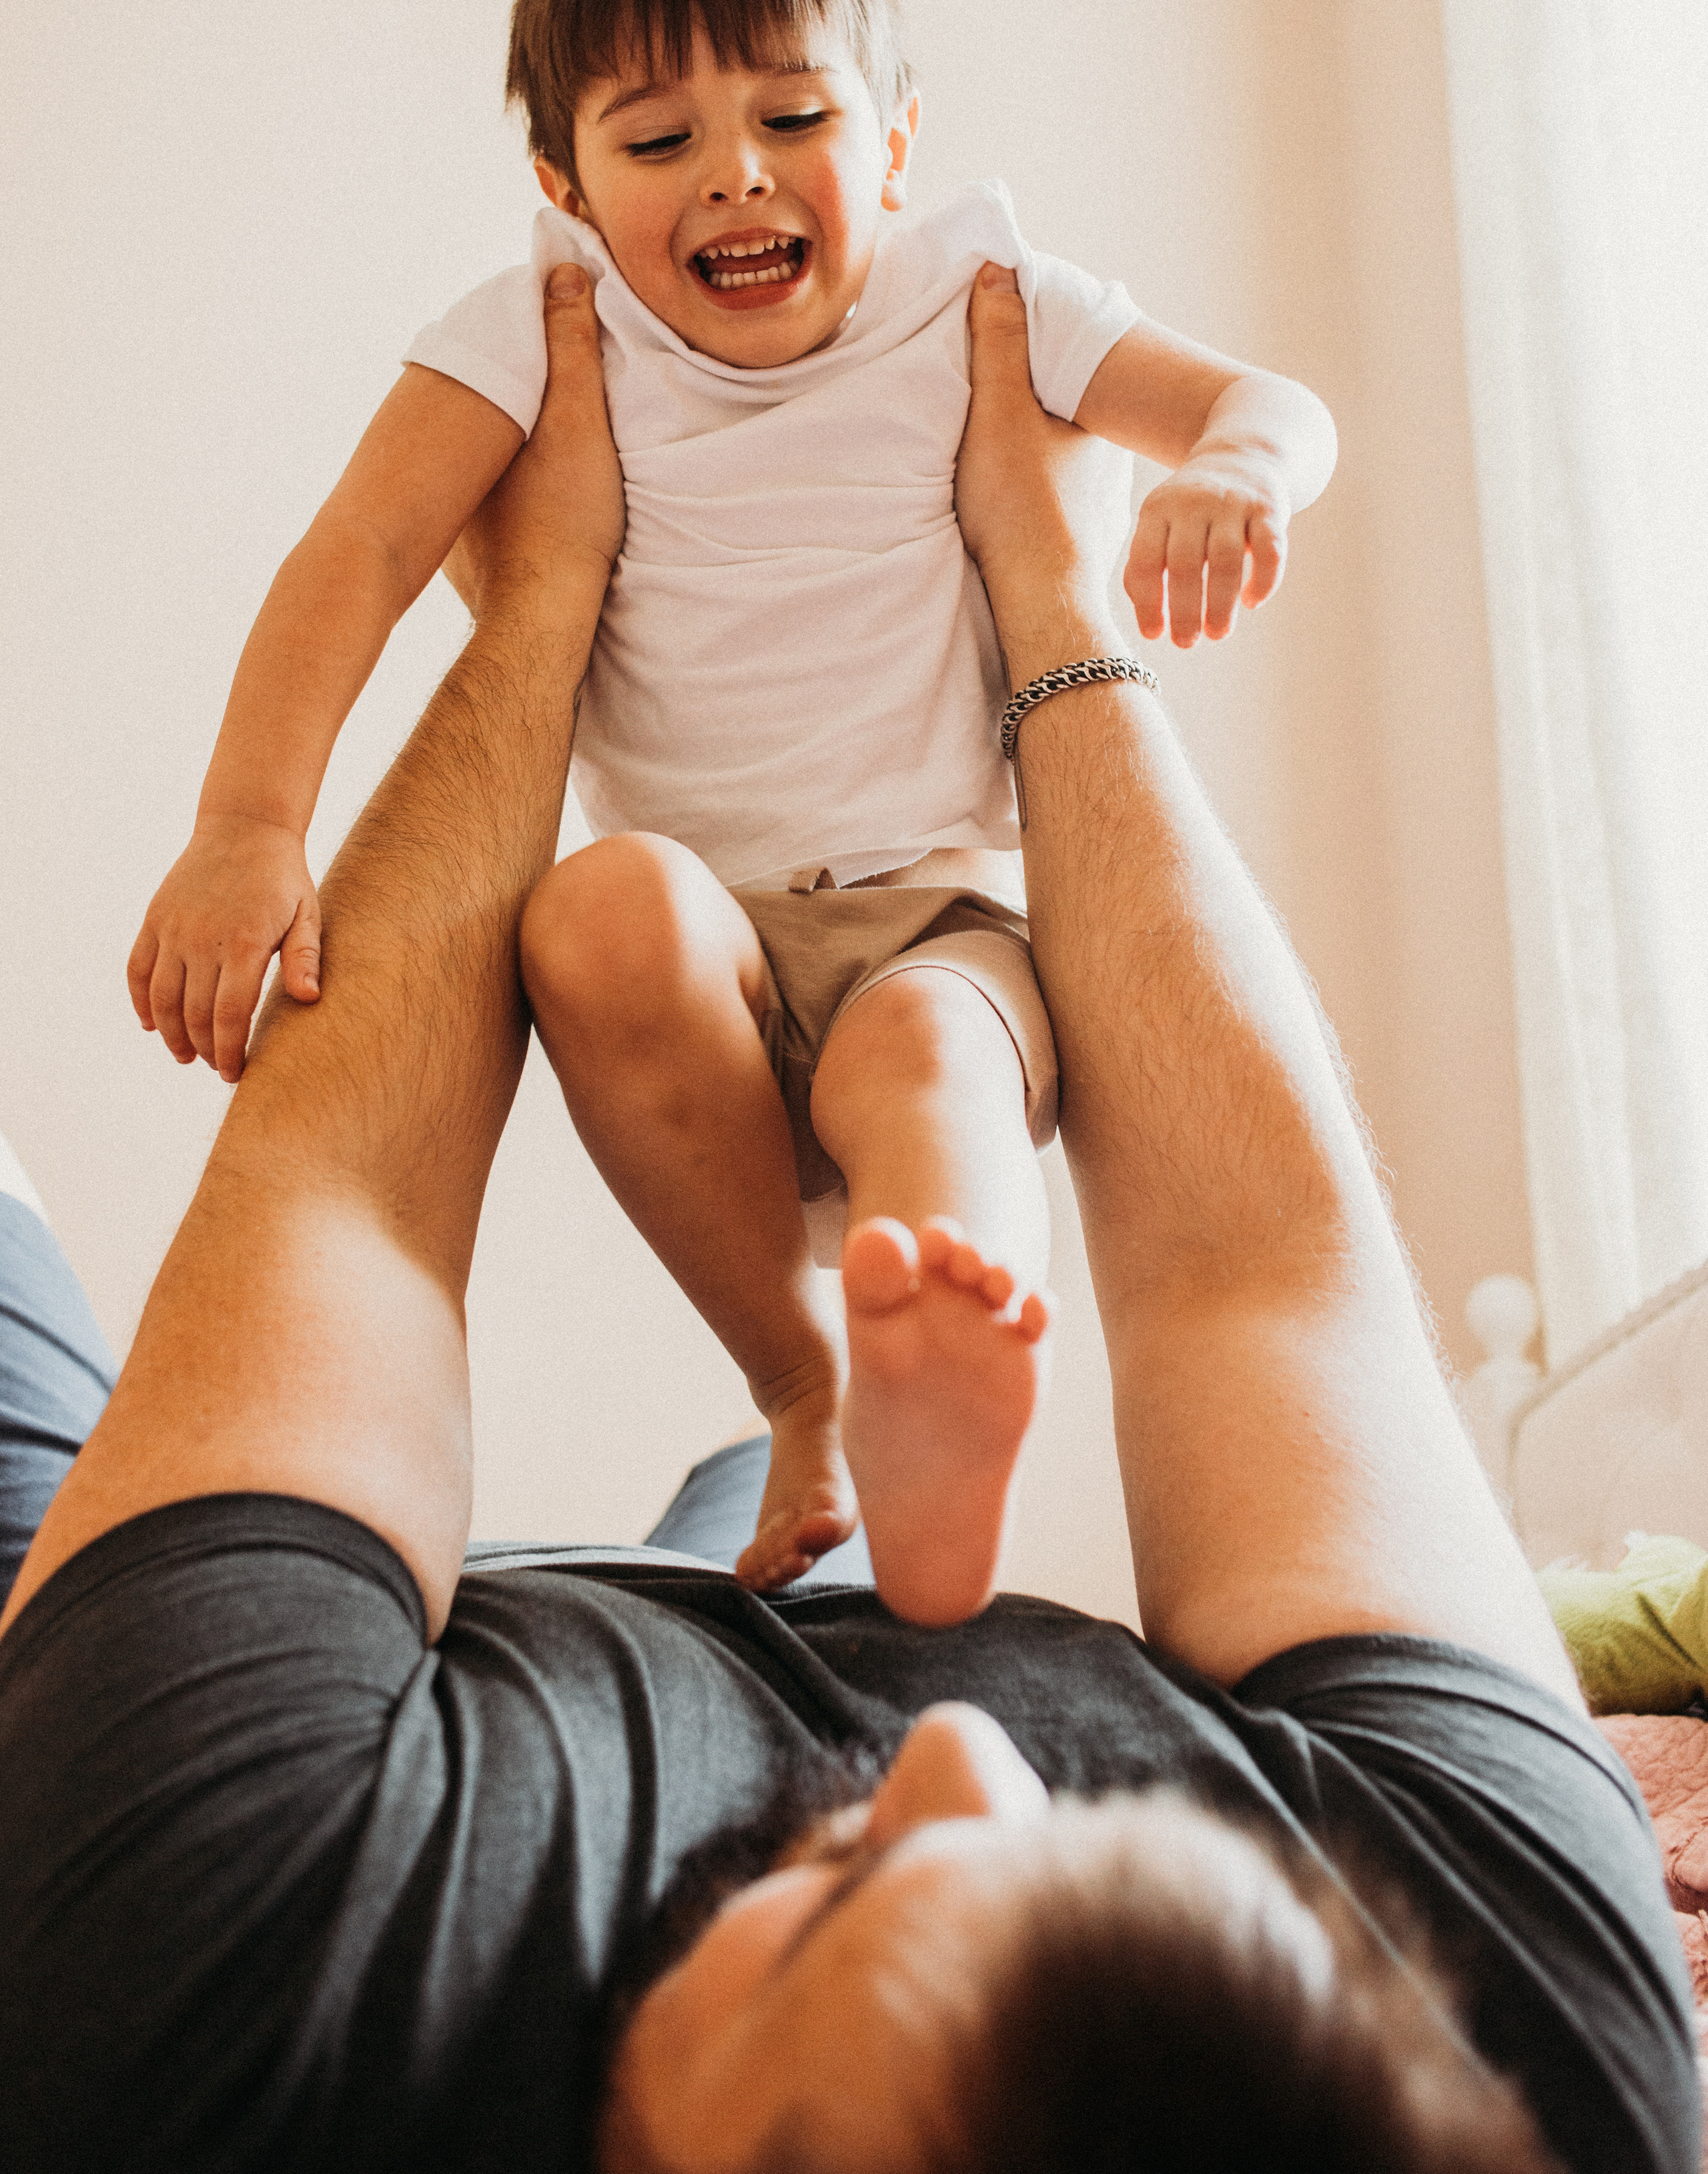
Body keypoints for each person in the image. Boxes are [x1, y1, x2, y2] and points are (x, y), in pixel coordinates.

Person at [0, 271, 1696, 2174]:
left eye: (836, 1908)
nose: (956, 1766)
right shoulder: (1528, 2062)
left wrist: (540, 611)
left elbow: (348, 1207)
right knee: (774, 1476)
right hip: (737, 1515)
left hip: (306, 1706)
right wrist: (1055, 597)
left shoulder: (219, 2014)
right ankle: (795, 1423)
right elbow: (1254, 1294)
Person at [125, 0, 1338, 1615]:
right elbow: (360, 553)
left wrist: (1232, 469)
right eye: (658, 139)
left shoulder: (980, 289)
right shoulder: (542, 335)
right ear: (564, 187)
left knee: (928, 1061)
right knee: (592, 910)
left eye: (792, 115)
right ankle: (809, 1386)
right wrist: (249, 824)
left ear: (898, 142)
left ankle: (947, 1402)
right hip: (710, 941)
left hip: (942, 910)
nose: (737, 175)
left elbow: (1268, 401)